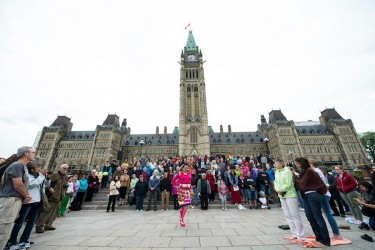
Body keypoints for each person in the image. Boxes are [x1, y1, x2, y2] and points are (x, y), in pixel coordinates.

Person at [0, 147, 34, 250]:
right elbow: (18, 185)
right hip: (10, 199)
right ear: (26, 153)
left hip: (15, 199)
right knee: (4, 229)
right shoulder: (17, 165)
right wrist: (26, 196)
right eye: (33, 152)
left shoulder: (21, 166)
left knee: (6, 228)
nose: (35, 154)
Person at [8, 161, 45, 249]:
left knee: (31, 222)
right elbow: (32, 184)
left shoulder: (37, 176)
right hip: (28, 201)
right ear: (32, 169)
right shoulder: (27, 176)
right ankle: (12, 240)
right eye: (37, 167)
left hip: (37, 201)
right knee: (20, 221)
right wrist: (42, 176)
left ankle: (24, 239)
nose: (39, 169)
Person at [295, 157, 330, 247]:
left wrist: (295, 178)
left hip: (313, 195)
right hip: (306, 195)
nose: (296, 165)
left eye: (298, 163)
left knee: (318, 217)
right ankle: (318, 237)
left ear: (302, 163)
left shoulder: (309, 171)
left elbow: (302, 184)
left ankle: (325, 240)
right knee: (310, 216)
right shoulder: (303, 172)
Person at [274, 159, 305, 242]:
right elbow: (275, 182)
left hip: (290, 194)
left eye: (276, 164)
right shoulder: (276, 172)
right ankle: (294, 234)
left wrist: (282, 190)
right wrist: (277, 189)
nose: (275, 165)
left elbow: (289, 183)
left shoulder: (287, 171)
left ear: (281, 164)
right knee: (287, 215)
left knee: (294, 215)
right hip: (281, 195)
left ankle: (301, 235)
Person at [36, 164, 68, 233]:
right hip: (52, 196)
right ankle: (39, 226)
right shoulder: (54, 175)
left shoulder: (65, 176)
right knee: (46, 212)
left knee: (54, 213)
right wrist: (49, 188)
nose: (65, 170)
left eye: (66, 168)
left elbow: (65, 185)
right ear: (60, 168)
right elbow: (46, 183)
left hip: (59, 196)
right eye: (64, 168)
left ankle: (48, 225)